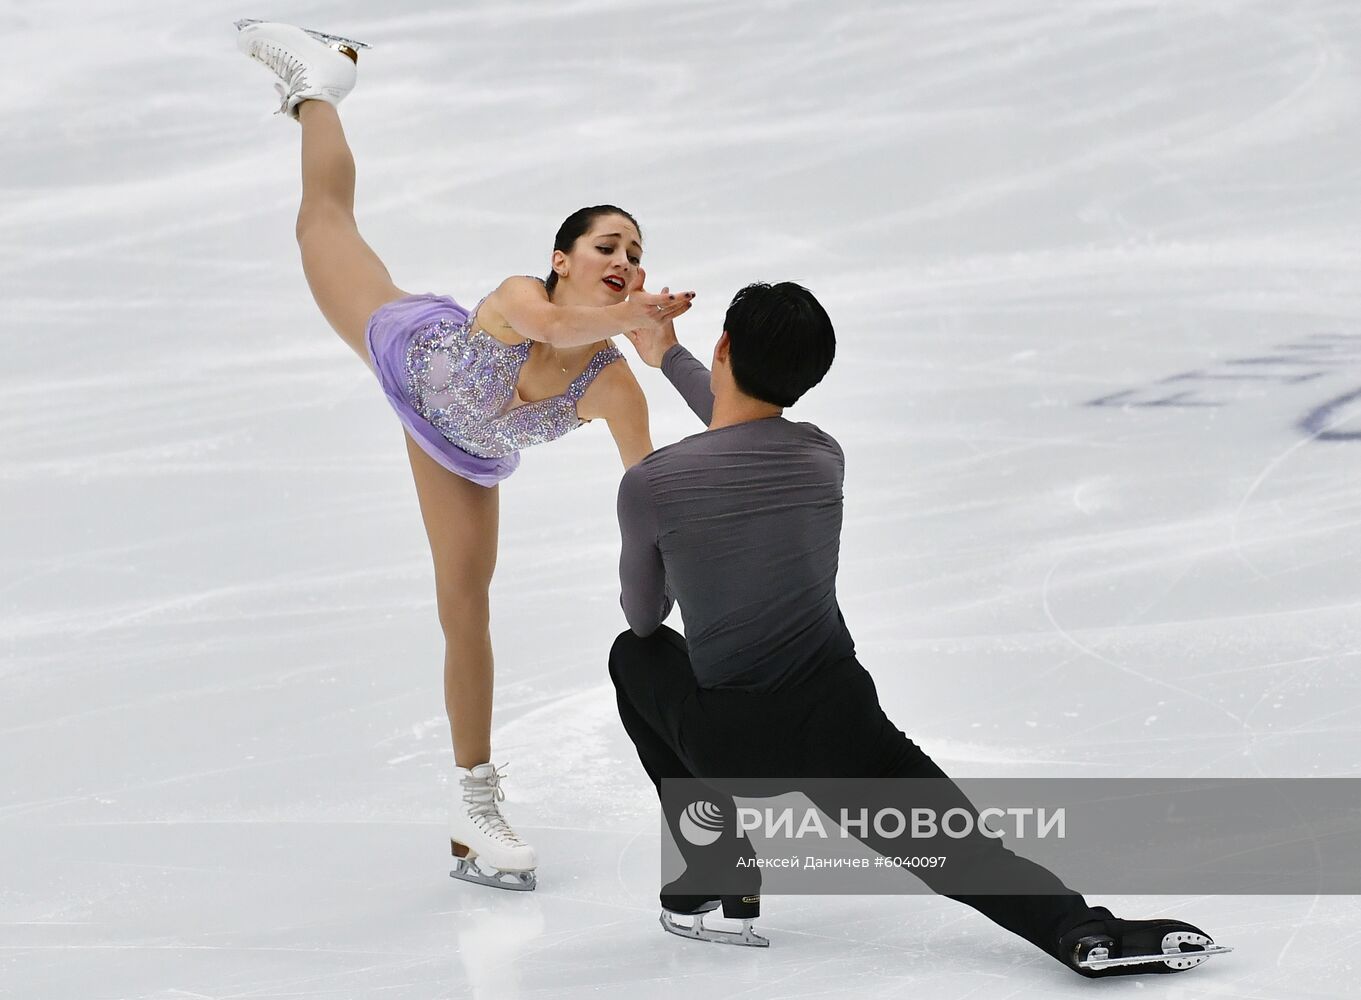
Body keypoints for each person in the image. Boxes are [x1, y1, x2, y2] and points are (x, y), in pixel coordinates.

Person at [610, 282, 1229, 976]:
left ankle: (716, 861)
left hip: (735, 747)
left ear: (723, 346)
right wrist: (667, 357)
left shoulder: (652, 485)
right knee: (967, 854)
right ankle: (1080, 931)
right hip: (843, 727)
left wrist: (675, 546)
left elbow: (644, 616)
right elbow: (744, 430)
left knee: (634, 656)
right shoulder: (821, 456)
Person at [234, 20, 694, 891]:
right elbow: (554, 326)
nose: (625, 262)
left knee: (464, 605)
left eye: (635, 256)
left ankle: (472, 804)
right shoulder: (526, 299)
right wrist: (631, 319)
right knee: (321, 222)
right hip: (403, 344)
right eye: (607, 246)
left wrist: (692, 578)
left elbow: (653, 490)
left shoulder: (611, 386)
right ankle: (317, 85)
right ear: (562, 259)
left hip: (459, 451)